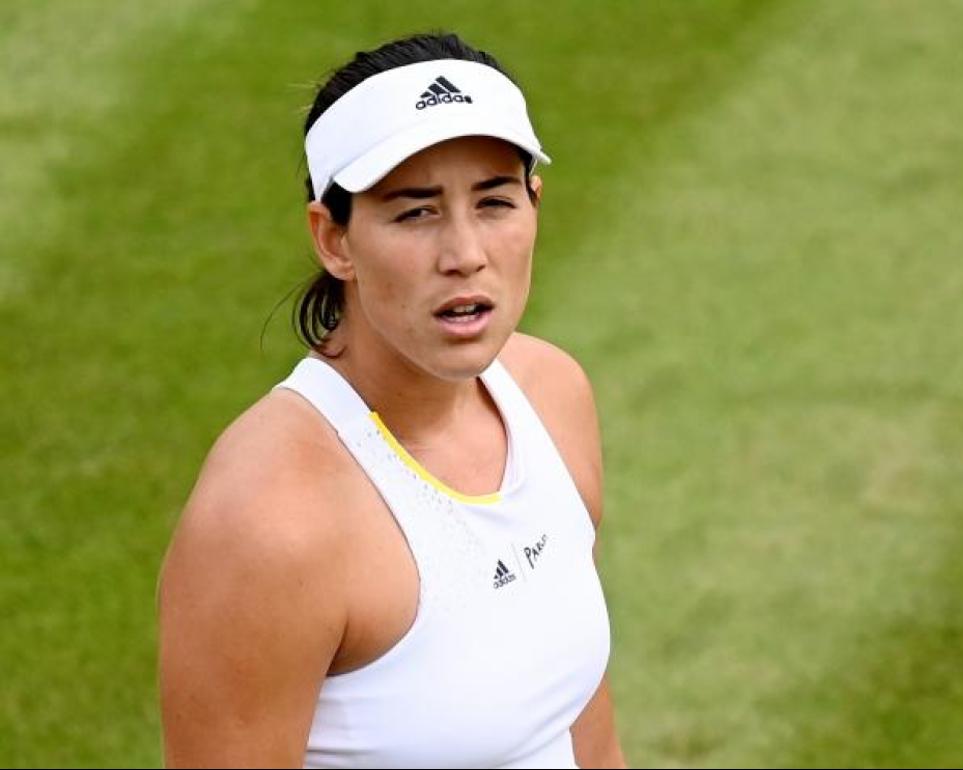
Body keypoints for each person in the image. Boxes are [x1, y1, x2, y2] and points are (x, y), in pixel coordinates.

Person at [158, 32, 626, 768]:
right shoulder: (269, 520)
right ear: (334, 239)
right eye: (416, 212)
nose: (465, 252)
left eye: (495, 201)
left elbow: (583, 727)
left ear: (536, 205)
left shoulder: (551, 393)